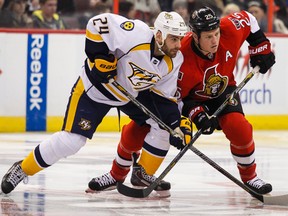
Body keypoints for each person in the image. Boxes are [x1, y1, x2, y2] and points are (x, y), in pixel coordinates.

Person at [90, 6, 276, 196]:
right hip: (187, 99)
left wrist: (260, 47)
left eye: (216, 34)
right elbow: (175, 100)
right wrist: (197, 116)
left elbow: (249, 19)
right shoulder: (180, 57)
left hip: (222, 89)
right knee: (140, 126)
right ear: (195, 36)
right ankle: (116, 174)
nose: (215, 41)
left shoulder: (229, 29)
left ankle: (250, 178)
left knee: (239, 127)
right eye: (208, 37)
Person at [1, 11, 190, 195]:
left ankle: (142, 174)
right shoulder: (136, 33)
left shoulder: (174, 61)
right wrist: (100, 57)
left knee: (164, 127)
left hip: (128, 95)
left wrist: (176, 125)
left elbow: (162, 98)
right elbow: (97, 24)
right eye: (174, 39)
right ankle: (22, 169)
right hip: (95, 89)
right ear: (159, 35)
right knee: (71, 141)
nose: (179, 45)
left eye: (180, 39)